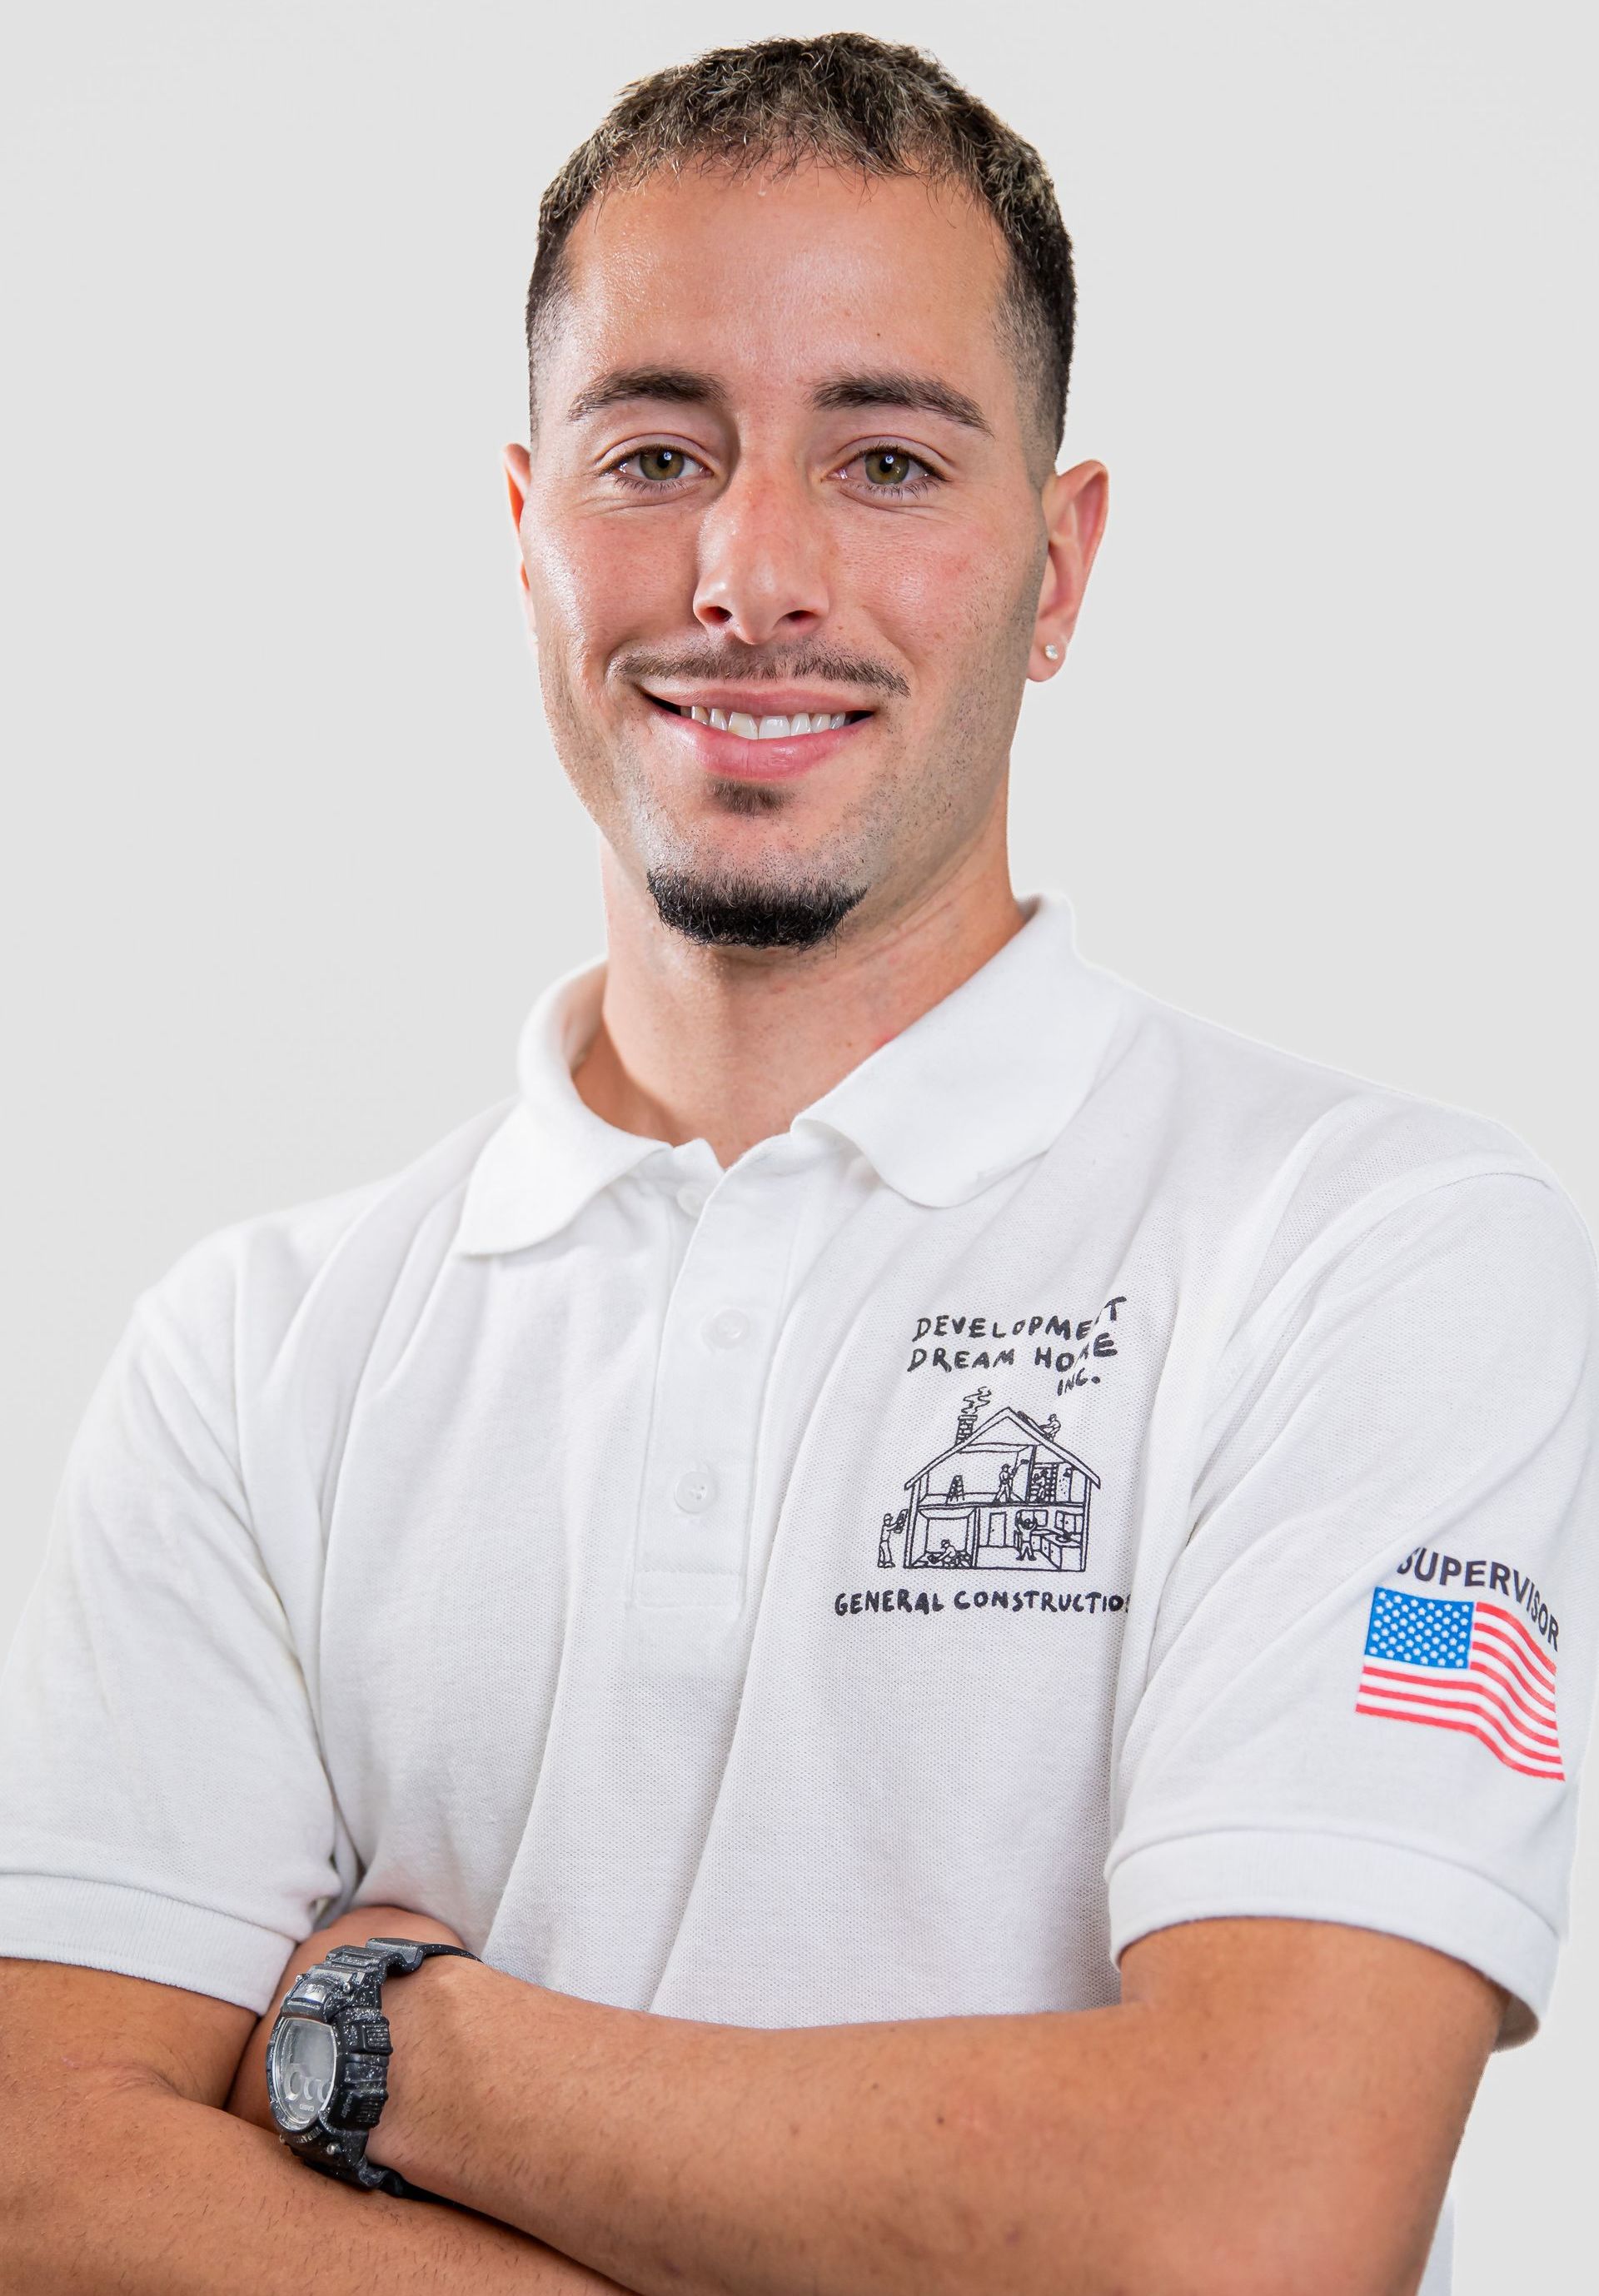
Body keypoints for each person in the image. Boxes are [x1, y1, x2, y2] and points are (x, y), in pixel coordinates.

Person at [1, 29, 1594, 2296]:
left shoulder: (1378, 1257)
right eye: (659, 450)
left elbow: (1251, 2220)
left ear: (1059, 570)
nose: (753, 570)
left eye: (887, 460)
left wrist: (388, 2048)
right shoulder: (257, 1355)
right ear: (527, 531)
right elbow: (42, 2182)